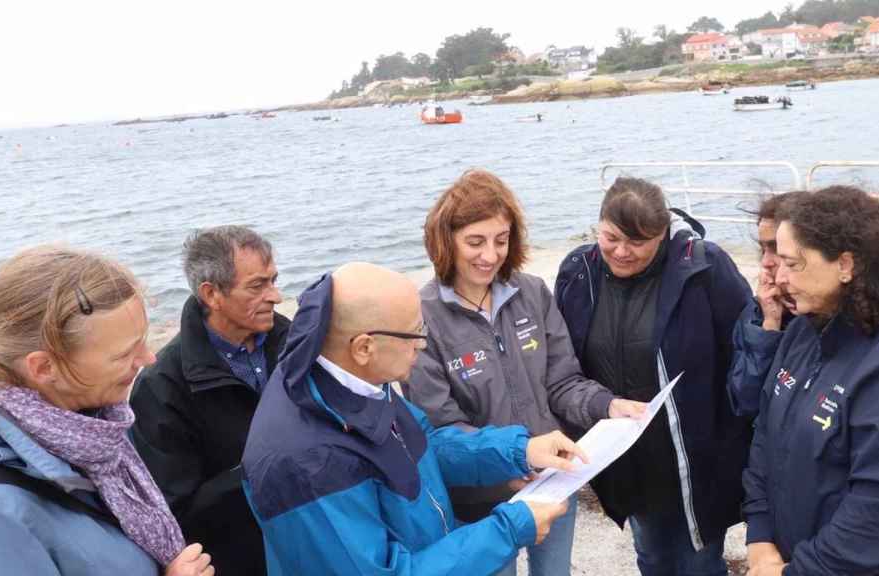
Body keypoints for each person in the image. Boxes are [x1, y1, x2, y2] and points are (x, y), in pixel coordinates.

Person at [242, 262, 585, 576]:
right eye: (414, 333)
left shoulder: (348, 378)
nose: (423, 344)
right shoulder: (306, 463)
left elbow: (422, 445)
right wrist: (511, 528)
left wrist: (516, 451)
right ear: (364, 347)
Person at [405, 169, 647, 576]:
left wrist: (608, 404)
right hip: (477, 504)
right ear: (445, 241)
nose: (490, 255)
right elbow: (441, 427)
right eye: (475, 242)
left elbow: (562, 382)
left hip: (553, 481)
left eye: (501, 240)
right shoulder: (420, 316)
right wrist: (509, 470)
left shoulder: (532, 292)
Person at [743, 186, 879, 576]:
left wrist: (794, 572)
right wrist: (760, 538)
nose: (779, 275)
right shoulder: (805, 331)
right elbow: (765, 437)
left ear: (845, 264)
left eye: (793, 263)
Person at [554, 176, 753, 576]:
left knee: (698, 564)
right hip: (628, 461)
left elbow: (746, 354)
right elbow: (565, 362)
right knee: (652, 558)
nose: (622, 252)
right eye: (611, 237)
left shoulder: (706, 268)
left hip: (694, 463)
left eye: (638, 242)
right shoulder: (579, 271)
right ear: (598, 225)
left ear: (663, 234)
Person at [0, 246, 214, 576]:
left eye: (144, 340)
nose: (148, 359)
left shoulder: (94, 431)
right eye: (123, 354)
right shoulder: (2, 512)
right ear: (43, 367)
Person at [130, 225, 287, 575]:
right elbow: (175, 512)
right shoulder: (161, 387)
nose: (276, 296)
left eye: (274, 280)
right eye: (258, 286)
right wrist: (265, 467)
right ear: (212, 294)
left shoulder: (293, 340)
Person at [727, 192, 802, 418]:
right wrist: (770, 325)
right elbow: (745, 401)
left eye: (777, 249)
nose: (766, 262)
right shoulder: (756, 314)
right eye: (763, 249)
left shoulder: (824, 316)